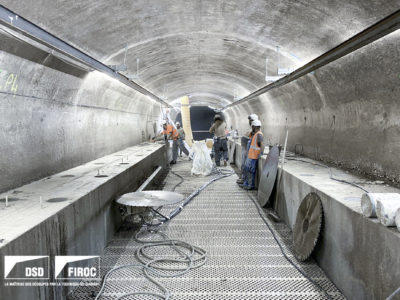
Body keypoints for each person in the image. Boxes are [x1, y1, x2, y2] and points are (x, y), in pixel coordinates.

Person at [240, 119, 264, 190]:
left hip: (253, 157)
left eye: (252, 127)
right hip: (250, 156)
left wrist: (261, 153)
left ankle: (250, 185)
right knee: (247, 170)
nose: (252, 128)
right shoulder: (256, 134)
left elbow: (262, 144)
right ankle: (246, 184)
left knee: (250, 171)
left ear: (254, 127)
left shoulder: (259, 134)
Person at [237, 114, 259, 184]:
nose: (249, 122)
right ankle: (244, 178)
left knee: (246, 165)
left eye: (250, 120)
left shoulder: (255, 130)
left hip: (250, 151)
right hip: (246, 149)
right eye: (249, 120)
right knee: (244, 164)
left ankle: (245, 179)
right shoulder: (251, 129)